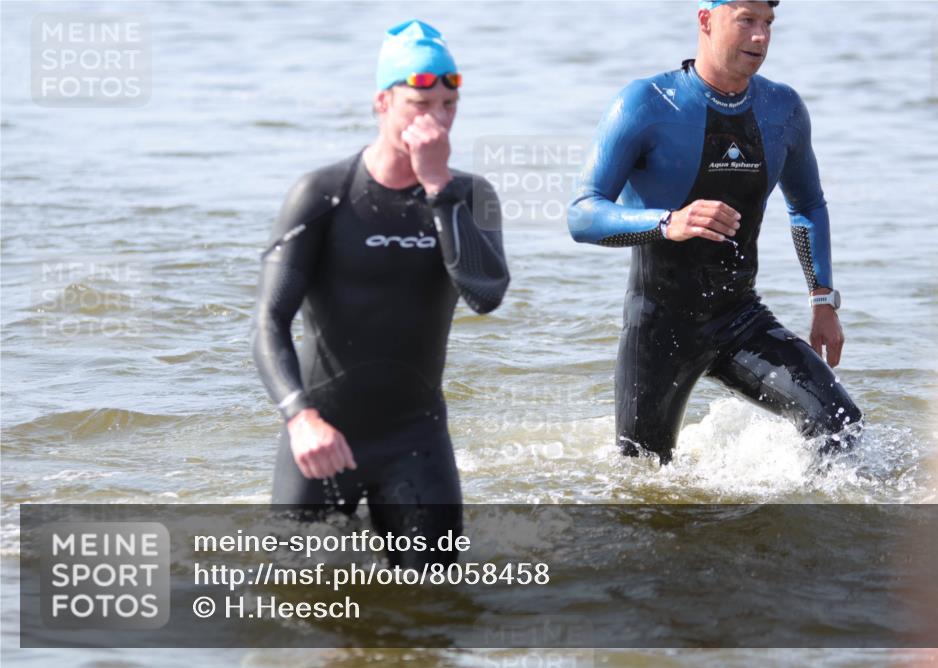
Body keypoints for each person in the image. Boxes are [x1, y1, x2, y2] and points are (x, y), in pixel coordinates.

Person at [251, 19, 509, 565]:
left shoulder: (470, 195)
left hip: (416, 441)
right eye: (420, 104)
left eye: (449, 105)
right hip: (323, 437)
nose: (436, 119)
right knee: (294, 596)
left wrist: (437, 188)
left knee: (435, 599)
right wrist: (300, 417)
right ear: (382, 102)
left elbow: (485, 294)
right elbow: (268, 321)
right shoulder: (322, 194)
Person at [568, 0, 862, 465]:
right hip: (658, 329)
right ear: (705, 20)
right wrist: (669, 222)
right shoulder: (647, 103)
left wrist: (822, 299)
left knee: (840, 424)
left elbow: (807, 205)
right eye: (746, 20)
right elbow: (583, 215)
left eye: (768, 23)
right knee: (643, 474)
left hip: (740, 318)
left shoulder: (782, 108)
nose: (761, 36)